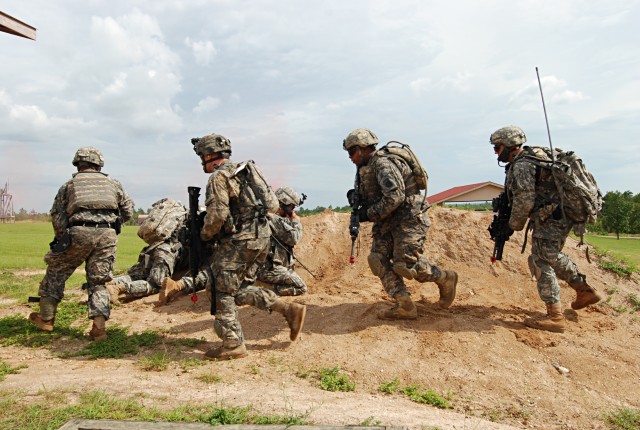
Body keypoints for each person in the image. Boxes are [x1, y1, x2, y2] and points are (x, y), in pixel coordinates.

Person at [190, 133, 306, 360]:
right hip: (261, 238)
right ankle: (289, 310)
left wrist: (204, 235)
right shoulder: (247, 171)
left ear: (209, 155)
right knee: (239, 288)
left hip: (239, 240)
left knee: (219, 290)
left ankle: (232, 345)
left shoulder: (219, 178)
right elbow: (272, 204)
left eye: (202, 156)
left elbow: (217, 215)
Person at [489, 125, 603, 333]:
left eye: (497, 148)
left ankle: (555, 316)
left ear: (509, 146)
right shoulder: (537, 155)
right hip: (561, 214)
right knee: (550, 255)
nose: (496, 153)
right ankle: (584, 290)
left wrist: (512, 226)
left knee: (540, 259)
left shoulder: (523, 165)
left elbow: (524, 200)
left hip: (552, 217)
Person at [343, 128, 458, 320]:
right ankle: (404, 304)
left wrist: (367, 214)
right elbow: (377, 194)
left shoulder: (383, 164)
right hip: (387, 221)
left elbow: (395, 197)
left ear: (362, 149)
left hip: (408, 217)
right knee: (377, 259)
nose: (350, 157)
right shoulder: (366, 168)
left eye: (351, 152)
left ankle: (445, 277)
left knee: (407, 266)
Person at [28, 147, 134, 340]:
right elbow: (127, 211)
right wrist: (111, 226)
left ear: (78, 164)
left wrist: (63, 238)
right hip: (107, 234)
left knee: (56, 270)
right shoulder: (114, 184)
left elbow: (58, 215)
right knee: (99, 281)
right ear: (99, 164)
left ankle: (46, 319)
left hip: (78, 231)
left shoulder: (69, 185)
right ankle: (99, 328)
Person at [256, 186, 308, 296]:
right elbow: (294, 237)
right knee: (301, 287)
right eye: (291, 207)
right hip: (268, 269)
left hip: (267, 267)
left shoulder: (270, 216)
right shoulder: (272, 218)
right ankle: (267, 290)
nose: (293, 210)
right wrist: (295, 220)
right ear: (284, 204)